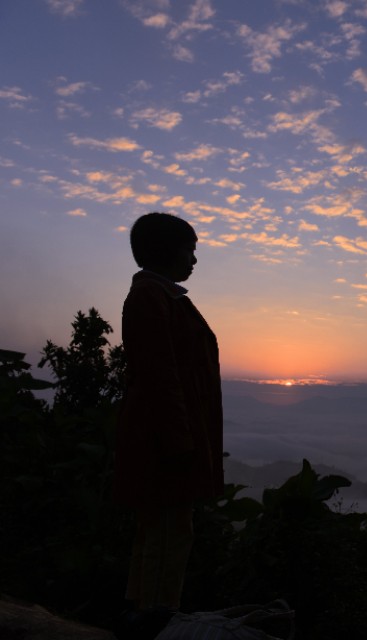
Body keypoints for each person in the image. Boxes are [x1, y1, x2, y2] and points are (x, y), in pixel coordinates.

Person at [114, 212, 224, 615]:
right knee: (169, 533)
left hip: (164, 437)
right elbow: (161, 377)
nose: (194, 260)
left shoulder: (162, 297)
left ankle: (141, 610)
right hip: (163, 443)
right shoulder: (150, 298)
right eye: (190, 250)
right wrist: (181, 445)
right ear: (167, 250)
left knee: (159, 531)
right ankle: (156, 618)